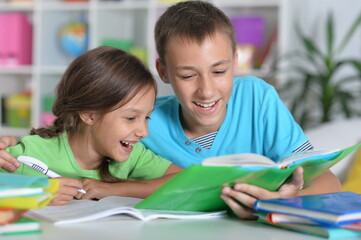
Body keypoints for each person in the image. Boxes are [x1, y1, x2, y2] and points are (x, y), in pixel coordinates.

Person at [0, 1, 341, 218]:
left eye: (220, 71)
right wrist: (12, 145)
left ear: (236, 62)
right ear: (164, 72)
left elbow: (327, 180)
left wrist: (281, 202)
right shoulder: (145, 120)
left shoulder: (258, 98)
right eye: (188, 75)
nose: (207, 90)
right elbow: (77, 148)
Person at [0, 46, 182, 206]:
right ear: (89, 115)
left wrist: (113, 189)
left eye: (147, 117)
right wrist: (37, 193)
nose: (143, 132)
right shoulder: (29, 153)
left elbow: (185, 180)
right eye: (130, 117)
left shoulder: (133, 155)